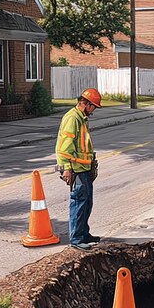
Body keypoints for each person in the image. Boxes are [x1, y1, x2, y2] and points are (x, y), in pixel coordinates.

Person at [56, 88, 102, 251]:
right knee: (79, 203)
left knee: (87, 202)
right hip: (76, 169)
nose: (94, 110)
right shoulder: (72, 119)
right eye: (94, 107)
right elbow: (64, 148)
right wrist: (67, 168)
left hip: (84, 168)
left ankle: (84, 234)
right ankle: (76, 239)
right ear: (86, 104)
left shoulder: (82, 118)